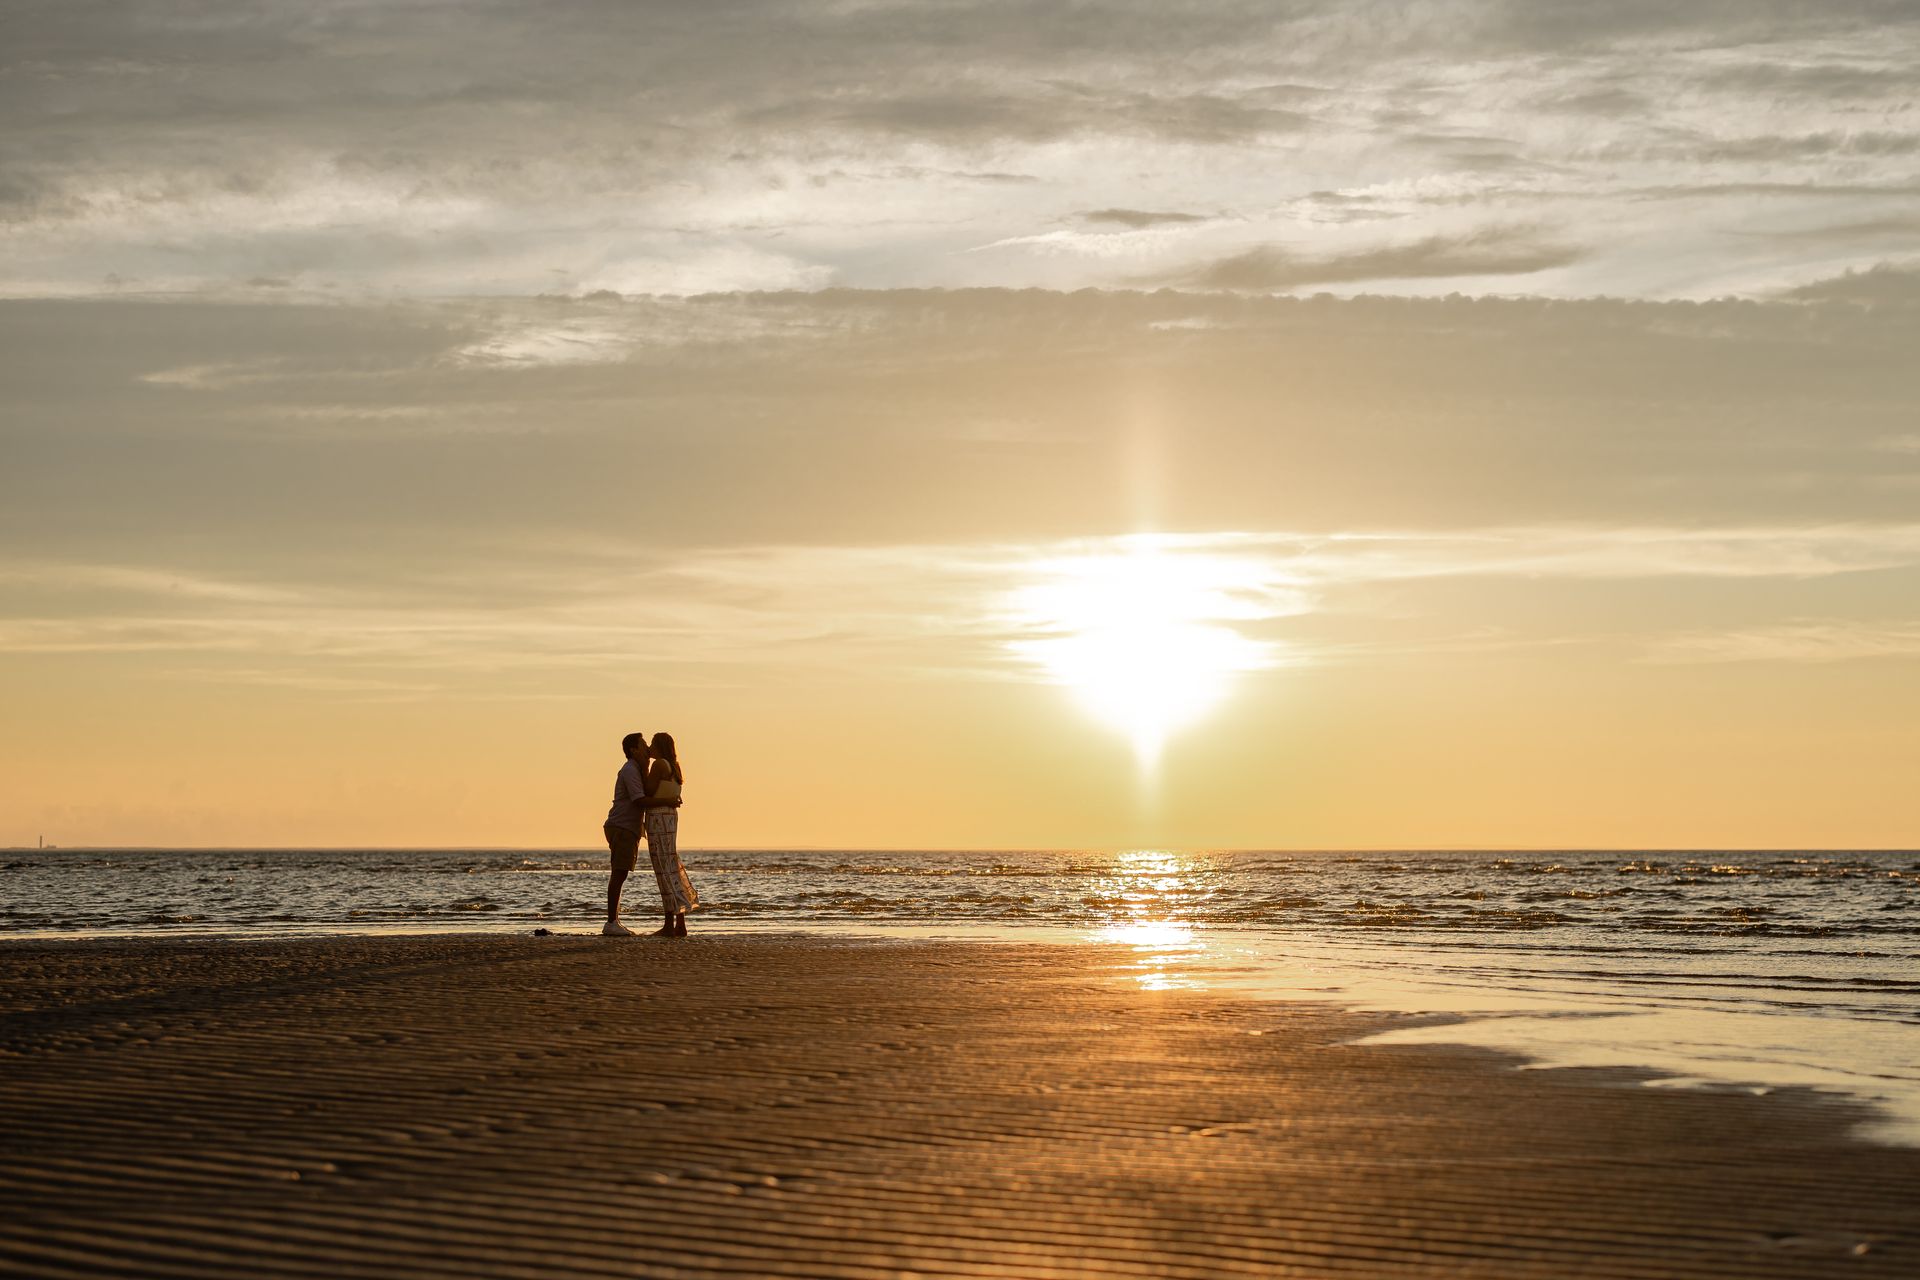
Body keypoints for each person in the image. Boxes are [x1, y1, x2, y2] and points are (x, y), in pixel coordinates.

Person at [601, 731, 676, 937]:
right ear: (633, 749)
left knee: (621, 872)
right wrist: (667, 801)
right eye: (643, 744)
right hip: (622, 826)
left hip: (629, 827)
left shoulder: (638, 769)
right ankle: (611, 922)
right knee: (619, 872)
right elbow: (639, 800)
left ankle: (614, 921)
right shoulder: (630, 770)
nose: (646, 747)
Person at [642, 731, 697, 936]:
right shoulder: (674, 767)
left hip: (658, 818)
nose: (649, 748)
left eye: (652, 744)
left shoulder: (659, 765)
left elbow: (647, 791)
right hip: (670, 817)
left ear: (659, 746)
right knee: (670, 865)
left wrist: (644, 764)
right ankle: (679, 922)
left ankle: (669, 924)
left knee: (663, 868)